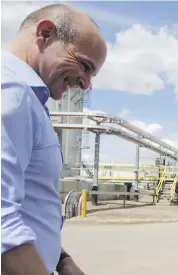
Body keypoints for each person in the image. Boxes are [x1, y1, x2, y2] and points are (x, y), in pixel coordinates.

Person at [1, 4, 107, 275]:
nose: (86, 84)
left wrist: (61, 260)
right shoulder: (12, 93)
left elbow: (28, 203)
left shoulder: (30, 99)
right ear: (45, 33)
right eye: (84, 65)